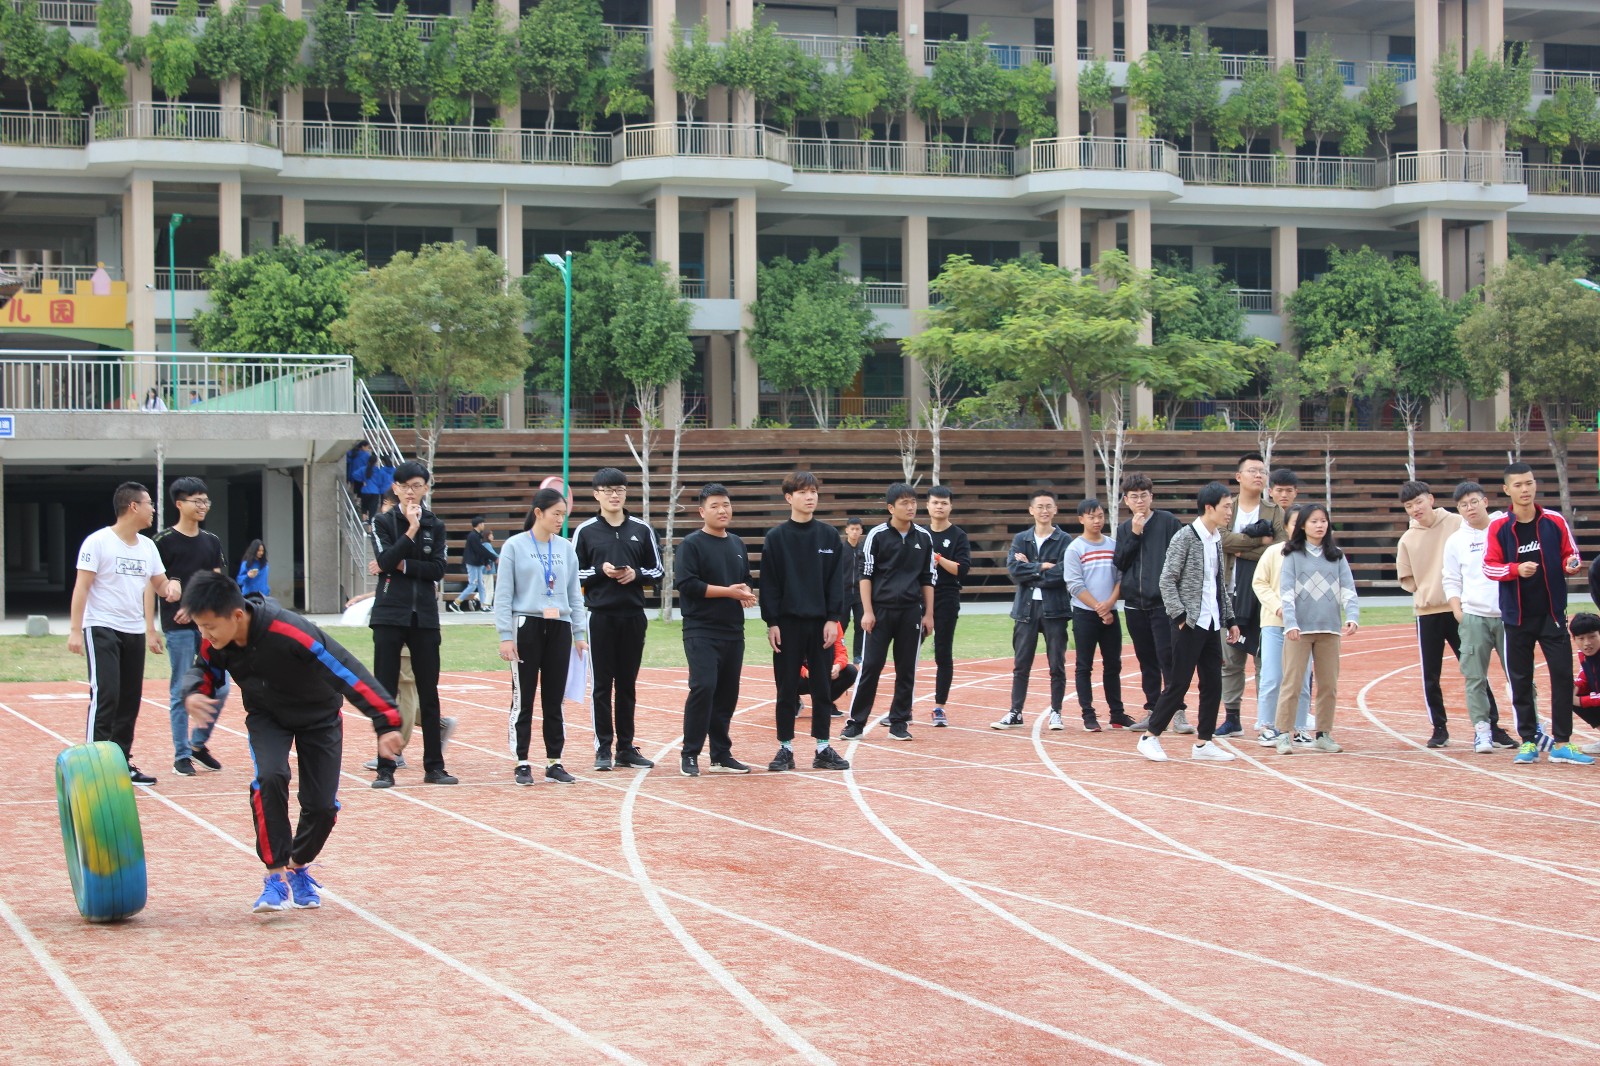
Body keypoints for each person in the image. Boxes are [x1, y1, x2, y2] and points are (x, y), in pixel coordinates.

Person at [177, 571, 402, 913]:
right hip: (267, 717)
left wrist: (386, 721)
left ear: (236, 615)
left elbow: (345, 669)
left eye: (209, 627)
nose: (204, 635)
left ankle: (298, 866)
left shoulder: (289, 630)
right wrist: (195, 691)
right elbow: (205, 670)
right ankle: (275, 877)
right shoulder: (215, 640)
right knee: (269, 777)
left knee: (322, 806)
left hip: (319, 717)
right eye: (200, 628)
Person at [68, 481, 182, 785]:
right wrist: (75, 630)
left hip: (133, 630)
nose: (153, 509)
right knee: (106, 694)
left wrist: (173, 587)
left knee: (130, 699)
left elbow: (160, 584)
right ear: (133, 506)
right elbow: (82, 587)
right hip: (101, 626)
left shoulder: (148, 547)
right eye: (149, 504)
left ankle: (121, 762)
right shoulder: (98, 542)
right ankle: (95, 764)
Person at [1483, 463, 1592, 765]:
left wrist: (1571, 563)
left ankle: (1562, 742)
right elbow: (1489, 566)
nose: (1525, 489)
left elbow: (1571, 554)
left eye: (1529, 483)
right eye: (1518, 485)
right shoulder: (1499, 527)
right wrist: (1516, 569)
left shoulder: (1554, 521)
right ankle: (1528, 741)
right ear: (1507, 490)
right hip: (1516, 617)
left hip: (1552, 615)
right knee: (1521, 680)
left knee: (1562, 676)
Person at [1135, 482, 1243, 764]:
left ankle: (1204, 742)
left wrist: (1230, 618)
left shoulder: (1216, 538)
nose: (1229, 511)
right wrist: (1180, 617)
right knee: (1179, 683)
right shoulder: (1185, 537)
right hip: (1190, 623)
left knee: (1213, 684)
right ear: (1209, 507)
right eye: (1226, 506)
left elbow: (1218, 585)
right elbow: (1166, 580)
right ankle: (1150, 736)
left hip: (1211, 622)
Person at [369, 460, 457, 787]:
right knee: (385, 692)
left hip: (425, 617)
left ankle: (434, 766)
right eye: (404, 486)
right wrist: (410, 530)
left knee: (428, 693)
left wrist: (403, 565)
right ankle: (385, 766)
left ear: (426, 488)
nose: (410, 491)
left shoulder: (436, 524)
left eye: (417, 486)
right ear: (395, 488)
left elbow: (437, 569)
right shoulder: (382, 521)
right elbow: (384, 560)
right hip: (389, 614)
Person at [1396, 480, 1501, 747]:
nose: (1415, 509)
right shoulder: (1407, 539)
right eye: (1409, 506)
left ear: (1431, 499)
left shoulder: (1457, 523)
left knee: (1475, 670)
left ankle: (1492, 725)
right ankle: (1439, 727)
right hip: (1426, 612)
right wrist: (1427, 590)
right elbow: (1407, 578)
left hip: (1460, 610)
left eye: (1419, 502)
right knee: (1430, 674)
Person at [759, 470, 851, 772]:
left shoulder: (828, 536)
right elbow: (769, 584)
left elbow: (836, 582)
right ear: (789, 498)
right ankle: (785, 748)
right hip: (787, 625)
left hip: (821, 624)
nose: (810, 497)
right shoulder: (776, 538)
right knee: (786, 688)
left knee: (822, 686)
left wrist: (833, 619)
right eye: (802, 492)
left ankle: (823, 748)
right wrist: (772, 622)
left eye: (813, 491)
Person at [573, 468, 664, 772]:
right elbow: (573, 573)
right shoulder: (585, 531)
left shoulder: (642, 528)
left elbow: (658, 570)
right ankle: (603, 748)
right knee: (601, 685)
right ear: (596, 494)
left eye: (620, 489)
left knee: (627, 685)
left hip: (633, 616)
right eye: (608, 490)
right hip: (599, 616)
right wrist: (601, 571)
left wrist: (635, 574)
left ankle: (626, 747)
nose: (615, 495)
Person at [498, 487, 589, 784]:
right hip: (526, 625)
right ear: (538, 513)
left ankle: (554, 761)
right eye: (556, 514)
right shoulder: (514, 546)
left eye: (564, 515)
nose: (560, 520)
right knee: (523, 697)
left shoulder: (565, 548)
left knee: (554, 698)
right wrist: (505, 636)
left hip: (559, 626)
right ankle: (521, 762)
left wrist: (579, 632)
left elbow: (574, 593)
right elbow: (503, 595)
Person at [841, 483, 935, 742]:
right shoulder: (877, 535)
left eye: (913, 502)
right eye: (904, 503)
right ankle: (856, 723)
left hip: (911, 612)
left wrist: (929, 614)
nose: (911, 507)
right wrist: (867, 612)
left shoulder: (924, 538)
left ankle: (899, 722)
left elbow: (928, 578)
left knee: (907, 669)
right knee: (871, 666)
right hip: (880, 612)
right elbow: (865, 575)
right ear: (891, 508)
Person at [675, 483, 757, 777]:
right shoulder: (691, 544)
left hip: (733, 630)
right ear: (702, 511)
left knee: (727, 694)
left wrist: (745, 591)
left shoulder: (736, 544)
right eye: (715, 506)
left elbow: (745, 578)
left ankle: (721, 755)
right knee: (703, 687)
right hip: (701, 629)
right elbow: (687, 584)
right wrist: (728, 592)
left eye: (726, 504)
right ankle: (690, 753)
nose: (722, 510)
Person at [153, 476, 230, 776]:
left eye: (205, 501)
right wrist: (150, 628)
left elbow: (216, 582)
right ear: (179, 503)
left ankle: (198, 744)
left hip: (208, 627)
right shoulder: (162, 541)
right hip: (179, 627)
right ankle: (182, 754)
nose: (203, 506)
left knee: (221, 687)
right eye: (197, 501)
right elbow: (152, 585)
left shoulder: (211, 541)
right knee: (180, 689)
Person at [1272, 503, 1360, 755]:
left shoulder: (1337, 555)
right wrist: (1291, 623)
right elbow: (1286, 593)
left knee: (1328, 685)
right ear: (1302, 525)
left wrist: (1352, 616)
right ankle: (1283, 734)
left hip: (1329, 630)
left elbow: (1348, 589)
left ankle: (1323, 734)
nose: (1320, 525)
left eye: (1323, 520)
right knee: (1292, 683)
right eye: (1314, 521)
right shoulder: (1292, 555)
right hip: (1299, 631)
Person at [1441, 481, 1521, 753]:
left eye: (1474, 501)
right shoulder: (1456, 541)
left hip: (1509, 615)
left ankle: (1530, 727)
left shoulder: (1505, 528)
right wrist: (1458, 611)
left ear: (1485, 502)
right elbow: (1451, 578)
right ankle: (1482, 730)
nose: (1469, 508)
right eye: (1463, 505)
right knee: (1474, 678)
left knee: (1520, 674)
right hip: (1474, 616)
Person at [1115, 474, 1194, 736]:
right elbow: (1121, 562)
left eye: (1143, 495)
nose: (1139, 501)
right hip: (1134, 605)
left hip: (1163, 604)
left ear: (1152, 496)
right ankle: (1152, 710)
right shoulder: (1124, 529)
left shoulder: (1168, 522)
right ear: (1126, 500)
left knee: (1168, 658)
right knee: (1146, 660)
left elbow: (1182, 556)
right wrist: (1134, 534)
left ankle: (1177, 711)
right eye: (1134, 496)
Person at [1217, 453, 1286, 738]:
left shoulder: (1274, 510)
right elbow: (1220, 539)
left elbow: (1280, 546)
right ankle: (1232, 718)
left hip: (1264, 594)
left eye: (1262, 471)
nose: (1259, 475)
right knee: (1230, 659)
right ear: (1238, 477)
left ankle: (1266, 721)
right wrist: (1257, 540)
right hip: (1229, 591)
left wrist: (1241, 550)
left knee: (1264, 659)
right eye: (1253, 471)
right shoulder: (1227, 507)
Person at [994, 489, 1072, 730]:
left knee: (1056, 664)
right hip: (1025, 610)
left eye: (1048, 506)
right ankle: (1015, 712)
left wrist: (1031, 570)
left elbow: (1063, 574)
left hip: (1055, 609)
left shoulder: (1065, 540)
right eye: (1040, 506)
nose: (1044, 510)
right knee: (1021, 664)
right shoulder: (1021, 539)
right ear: (1031, 510)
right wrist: (1042, 567)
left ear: (1055, 509)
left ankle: (1056, 712)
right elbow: (1014, 571)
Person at [1064, 497, 1132, 732]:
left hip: (1111, 613)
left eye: (1100, 516)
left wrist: (1109, 604)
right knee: (1084, 666)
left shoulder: (1113, 545)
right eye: (1091, 517)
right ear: (1081, 519)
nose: (1097, 521)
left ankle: (1117, 713)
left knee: (1113, 664)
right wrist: (1099, 608)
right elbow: (1074, 585)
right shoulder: (1075, 549)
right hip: (1085, 614)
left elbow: (1120, 577)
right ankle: (1088, 714)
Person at [1251, 506, 1313, 746]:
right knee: (1272, 676)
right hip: (1275, 624)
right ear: (1286, 527)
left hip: (1305, 626)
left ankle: (1299, 727)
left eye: (1303, 523)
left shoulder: (1315, 554)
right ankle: (1267, 726)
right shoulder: (1273, 552)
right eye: (1295, 523)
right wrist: (1278, 608)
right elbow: (1260, 583)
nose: (1299, 528)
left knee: (1302, 678)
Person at [926, 485, 971, 728]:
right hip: (919, 598)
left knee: (943, 653)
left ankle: (939, 707)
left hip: (946, 597)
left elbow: (962, 570)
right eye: (935, 502)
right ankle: (902, 707)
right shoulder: (919, 533)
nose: (939, 507)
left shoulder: (958, 536)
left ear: (951, 506)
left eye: (944, 503)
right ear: (928, 506)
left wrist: (939, 559)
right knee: (907, 653)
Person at [1561, 613, 1600, 755]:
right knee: (1567, 692)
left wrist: (1580, 701)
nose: (1587, 643)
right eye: (1581, 638)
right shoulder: (1584, 654)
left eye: (1592, 637)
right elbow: (1585, 674)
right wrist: (1575, 688)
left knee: (1576, 699)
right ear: (1574, 639)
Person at [453, 514, 499, 612]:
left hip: (477, 563)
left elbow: (480, 551)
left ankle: (483, 606)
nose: (483, 525)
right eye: (482, 523)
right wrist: (493, 558)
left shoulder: (477, 536)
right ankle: (456, 603)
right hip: (472, 563)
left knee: (481, 585)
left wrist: (486, 562)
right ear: (479, 524)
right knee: (473, 585)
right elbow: (479, 550)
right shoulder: (473, 536)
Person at [842, 516, 867, 664]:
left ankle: (858, 655)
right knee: (841, 625)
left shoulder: (864, 549)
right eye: (852, 529)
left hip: (860, 594)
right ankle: (839, 654)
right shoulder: (840, 549)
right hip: (843, 594)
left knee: (860, 625)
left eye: (857, 529)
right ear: (847, 530)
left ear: (861, 531)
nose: (855, 532)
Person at [360, 458, 394, 522]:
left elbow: (379, 482)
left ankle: (367, 519)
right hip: (392, 489)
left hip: (381, 490)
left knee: (383, 504)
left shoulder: (381, 471)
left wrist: (362, 481)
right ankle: (390, 517)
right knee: (391, 504)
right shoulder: (394, 470)